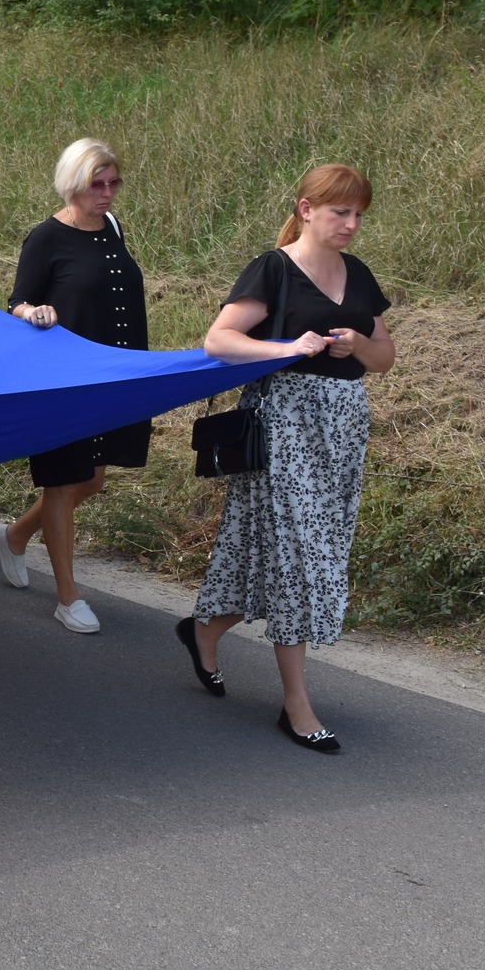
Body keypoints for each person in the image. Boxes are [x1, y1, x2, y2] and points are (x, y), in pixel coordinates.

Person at [181, 164, 396, 755]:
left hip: (344, 428)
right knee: (302, 558)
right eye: (339, 213)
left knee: (273, 549)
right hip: (286, 424)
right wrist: (286, 347)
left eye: (358, 215)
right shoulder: (273, 268)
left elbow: (385, 358)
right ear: (306, 209)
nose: (351, 224)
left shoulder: (358, 275)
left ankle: (202, 629)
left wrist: (360, 345)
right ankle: (296, 706)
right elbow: (219, 340)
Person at [0, 139, 149, 634]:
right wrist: (33, 312)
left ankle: (14, 536)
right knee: (62, 482)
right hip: (64, 379)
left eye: (113, 183)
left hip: (112, 375)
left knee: (92, 480)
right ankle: (67, 596)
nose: (106, 193)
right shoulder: (46, 237)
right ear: (72, 184)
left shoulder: (114, 229)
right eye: (95, 184)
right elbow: (18, 299)